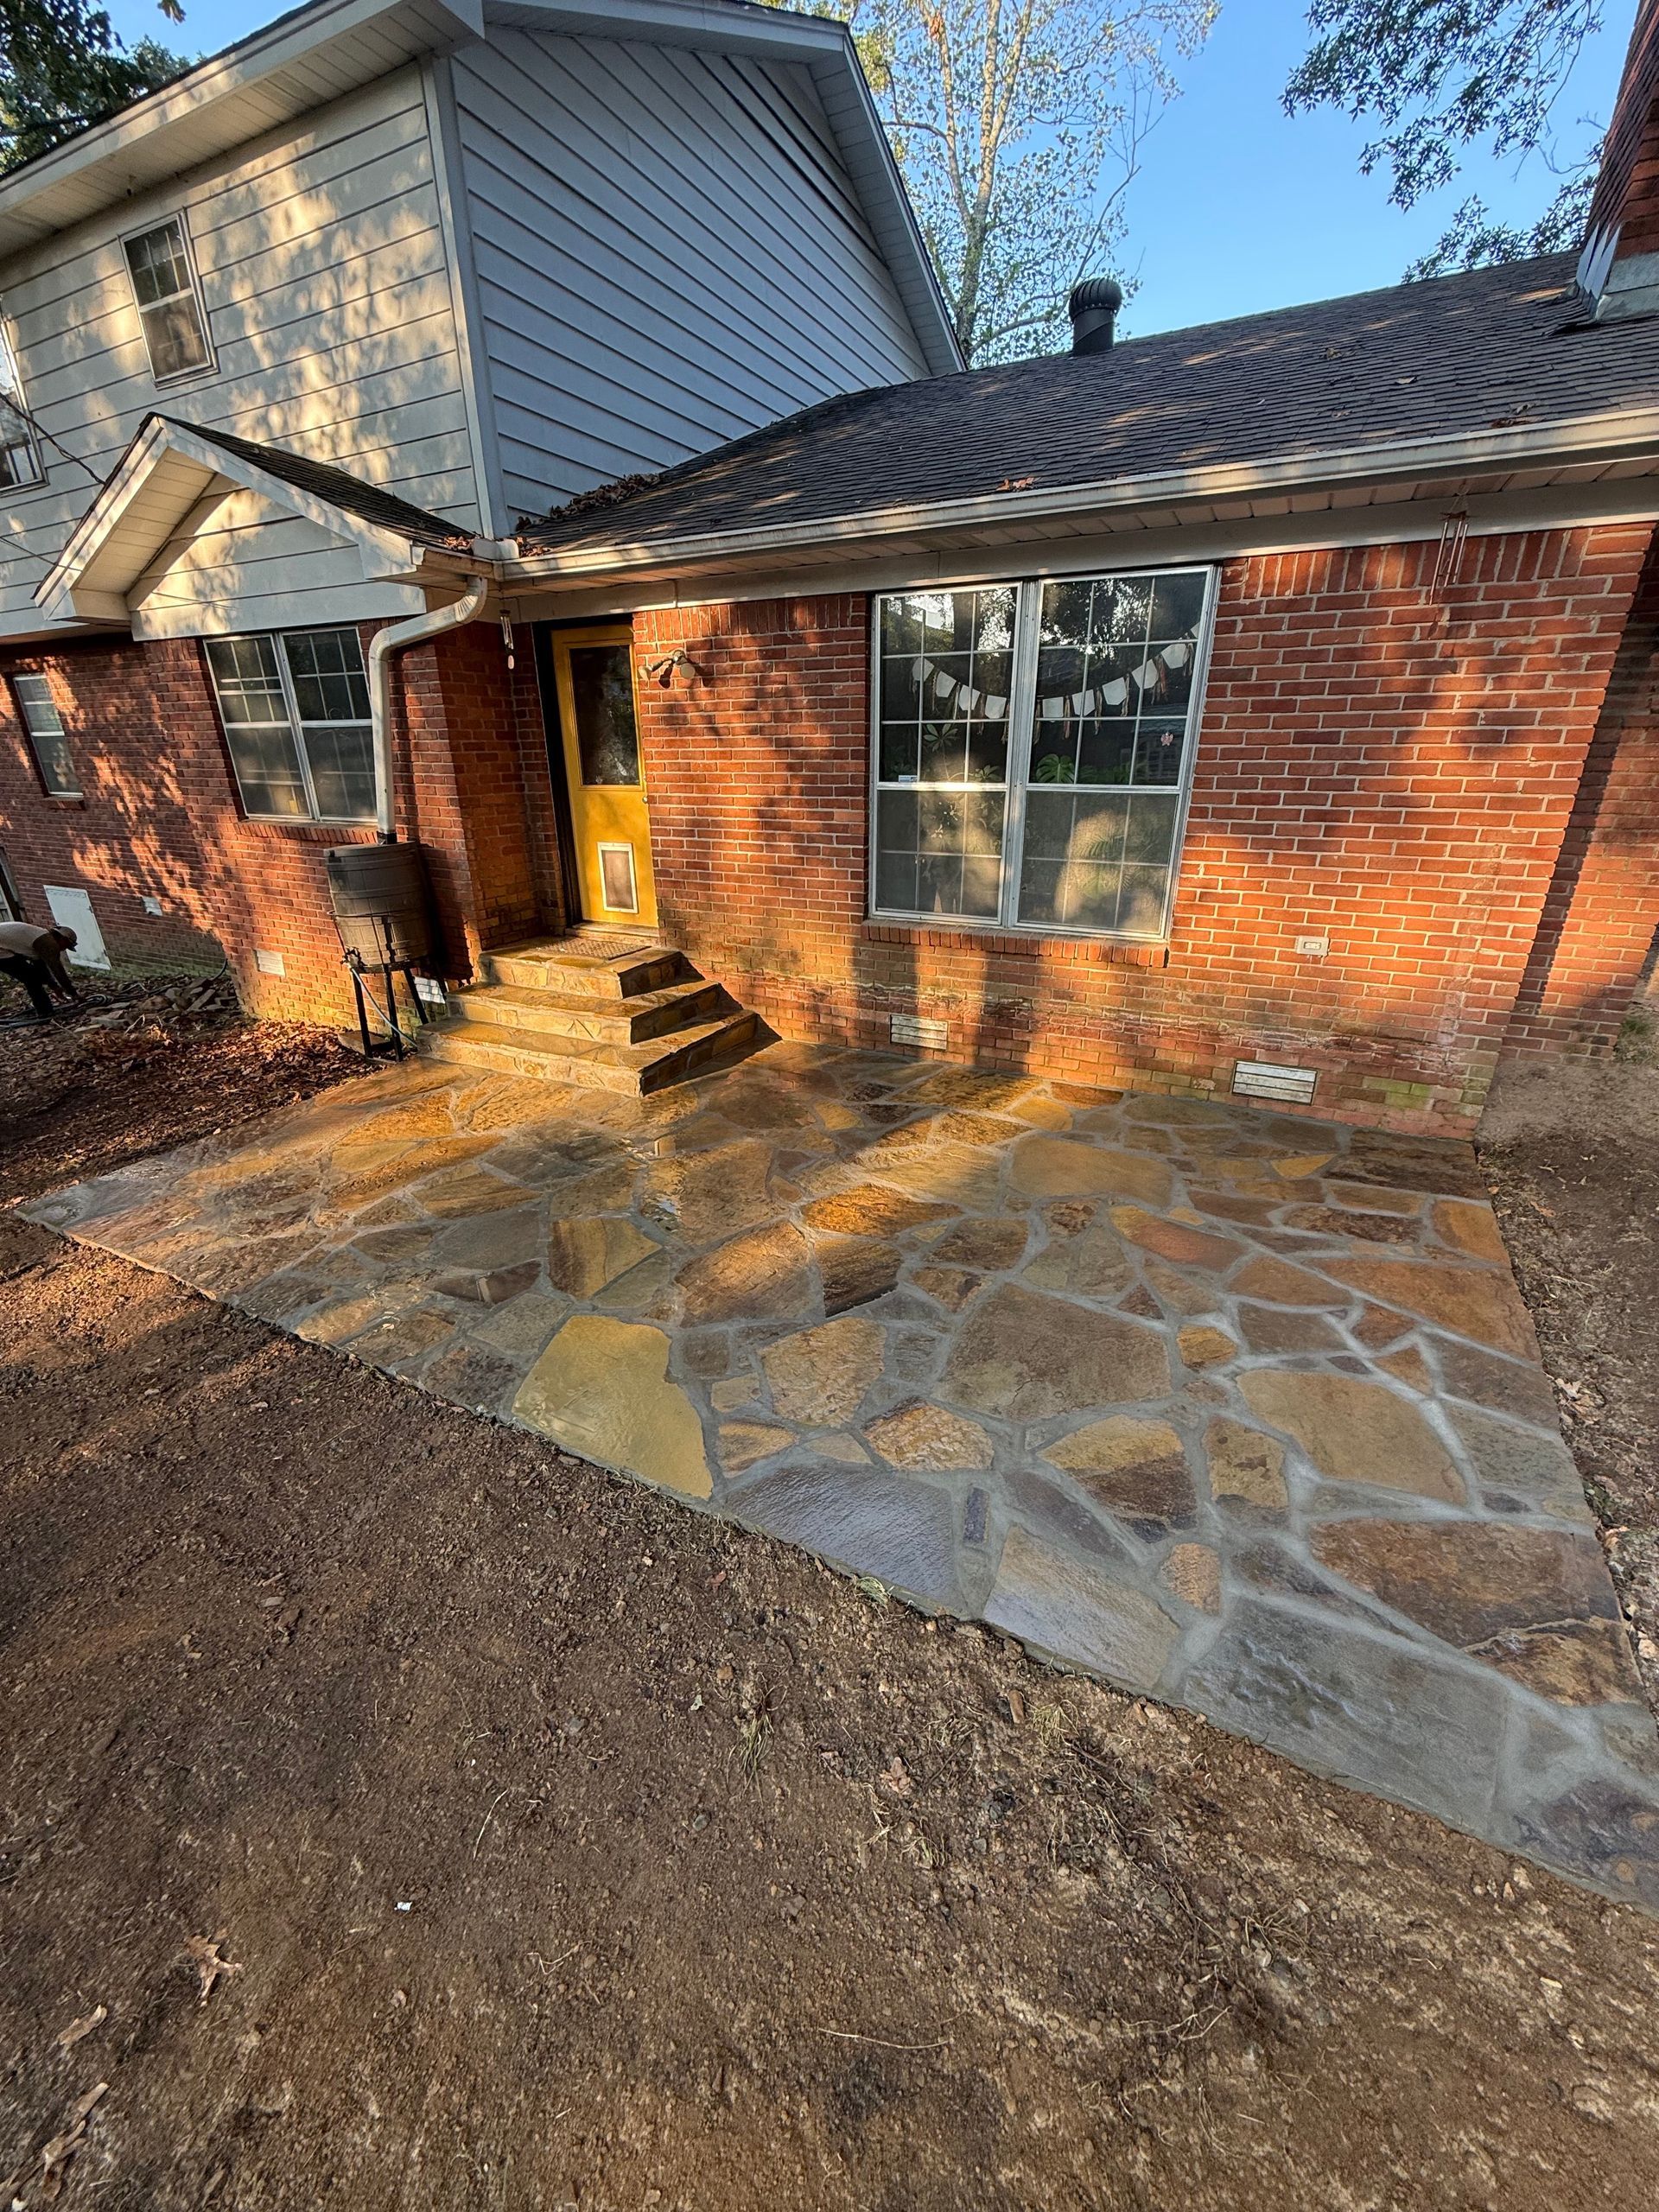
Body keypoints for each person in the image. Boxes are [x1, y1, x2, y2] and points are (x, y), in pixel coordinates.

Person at [0, 919, 80, 1022]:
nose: (63, 950)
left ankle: (45, 1011)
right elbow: (58, 971)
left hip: (4, 947)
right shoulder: (49, 943)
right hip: (2, 951)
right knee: (32, 979)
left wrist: (55, 987)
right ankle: (45, 1014)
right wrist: (73, 993)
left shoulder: (40, 937)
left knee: (32, 977)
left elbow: (41, 968)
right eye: (66, 946)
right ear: (63, 939)